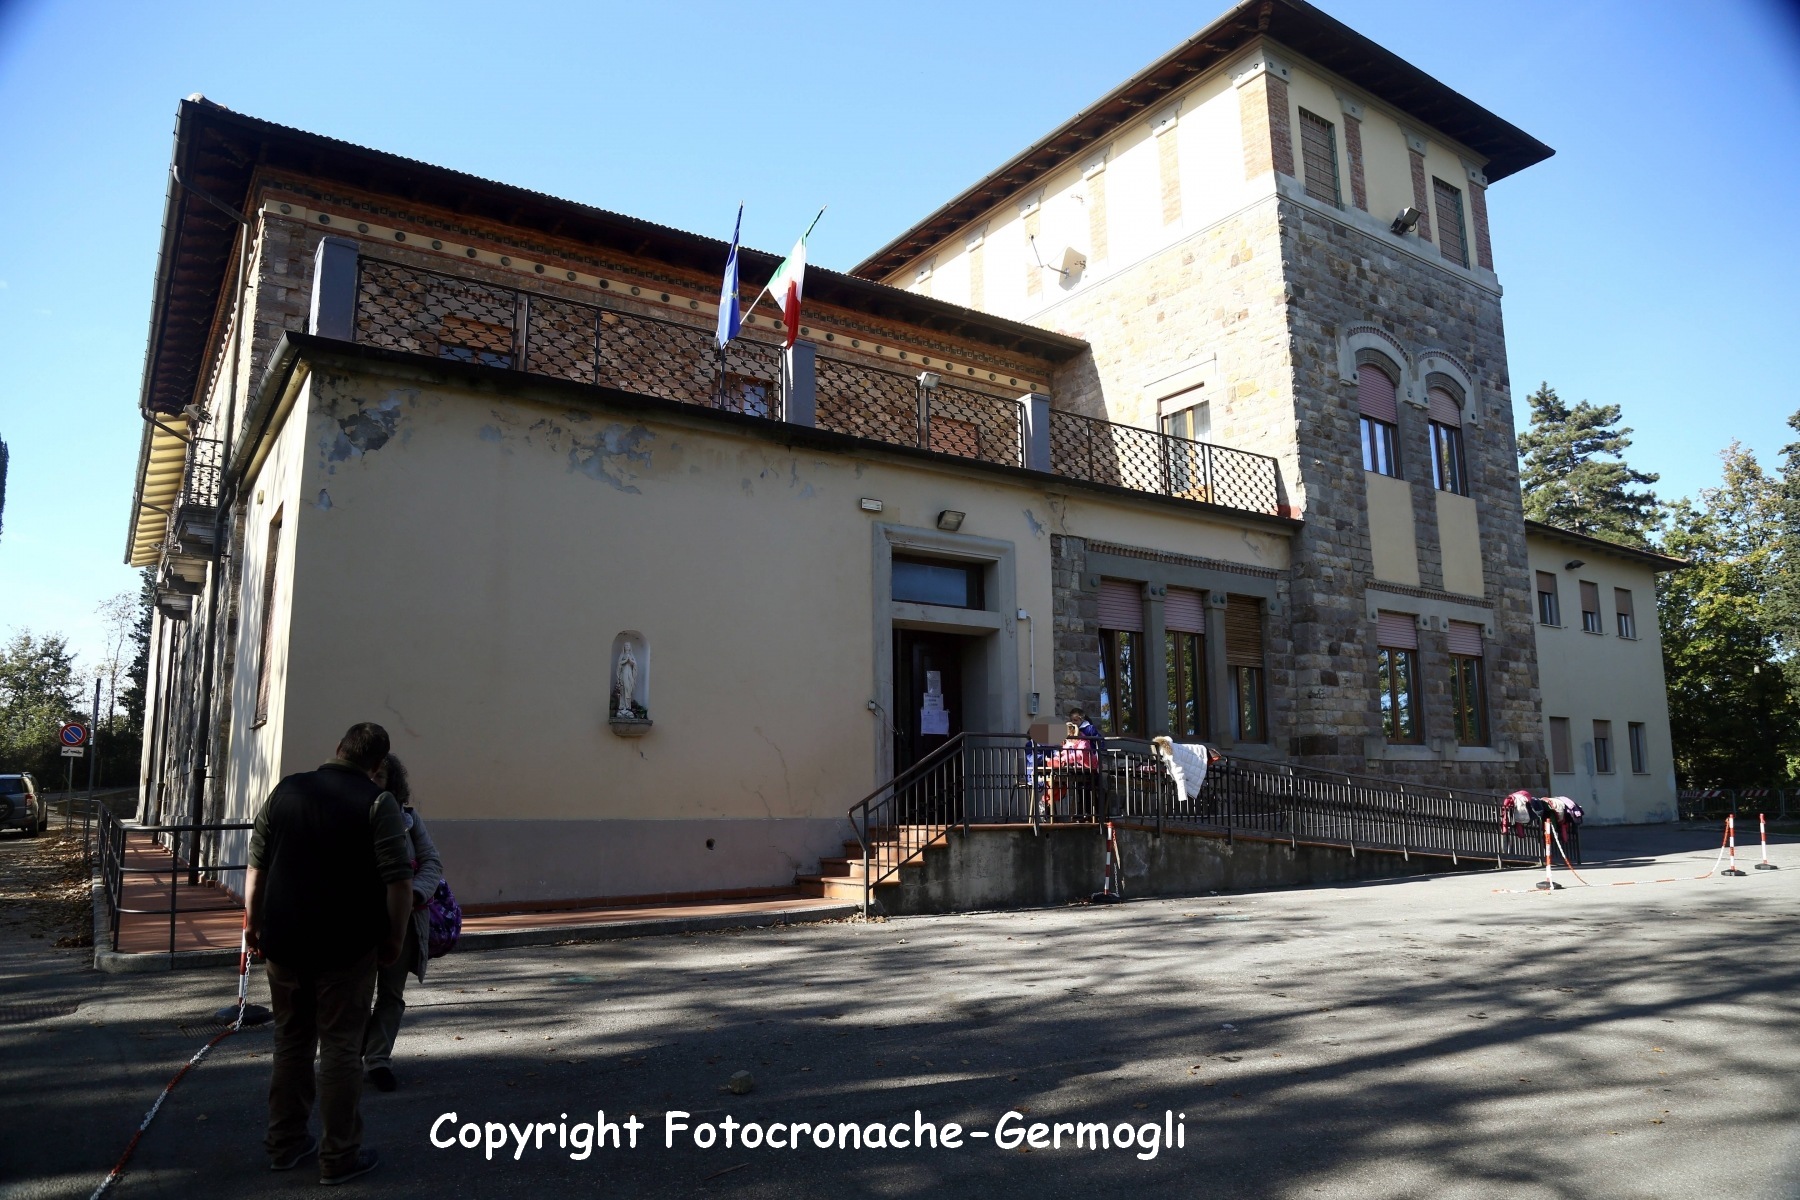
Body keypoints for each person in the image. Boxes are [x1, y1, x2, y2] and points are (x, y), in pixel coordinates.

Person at [245, 723, 413, 1186]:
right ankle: (338, 1156)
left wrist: (252, 923)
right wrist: (395, 937)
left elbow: (257, 865)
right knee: (340, 1046)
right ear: (377, 765)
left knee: (291, 1041)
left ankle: (285, 1144)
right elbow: (398, 880)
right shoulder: (378, 803)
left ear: (337, 749)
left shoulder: (286, 791)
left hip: (284, 938)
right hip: (346, 943)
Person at [361, 753, 443, 1093]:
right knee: (356, 992)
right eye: (370, 775)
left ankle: (378, 1061)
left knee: (391, 994)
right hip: (361, 920)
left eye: (381, 777)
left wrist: (412, 896)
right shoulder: (352, 814)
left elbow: (432, 863)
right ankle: (351, 1054)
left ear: (393, 783)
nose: (374, 781)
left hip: (405, 920)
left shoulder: (408, 818)